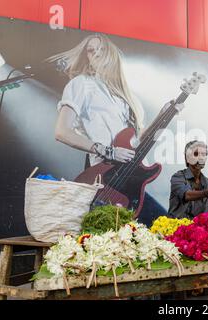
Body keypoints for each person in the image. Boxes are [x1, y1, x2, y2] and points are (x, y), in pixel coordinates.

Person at [50, 33, 175, 225]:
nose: (97, 54)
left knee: (160, 230)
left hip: (128, 181)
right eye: (91, 51)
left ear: (111, 55)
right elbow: (62, 131)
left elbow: (137, 142)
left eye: (101, 49)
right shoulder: (81, 84)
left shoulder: (126, 97)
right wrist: (108, 151)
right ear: (87, 57)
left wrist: (164, 115)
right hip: (105, 179)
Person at [168, 140, 208, 219]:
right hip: (175, 227)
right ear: (187, 158)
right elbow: (187, 195)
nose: (201, 157)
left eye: (204, 154)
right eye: (196, 154)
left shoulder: (207, 183)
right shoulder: (178, 177)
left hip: (196, 229)